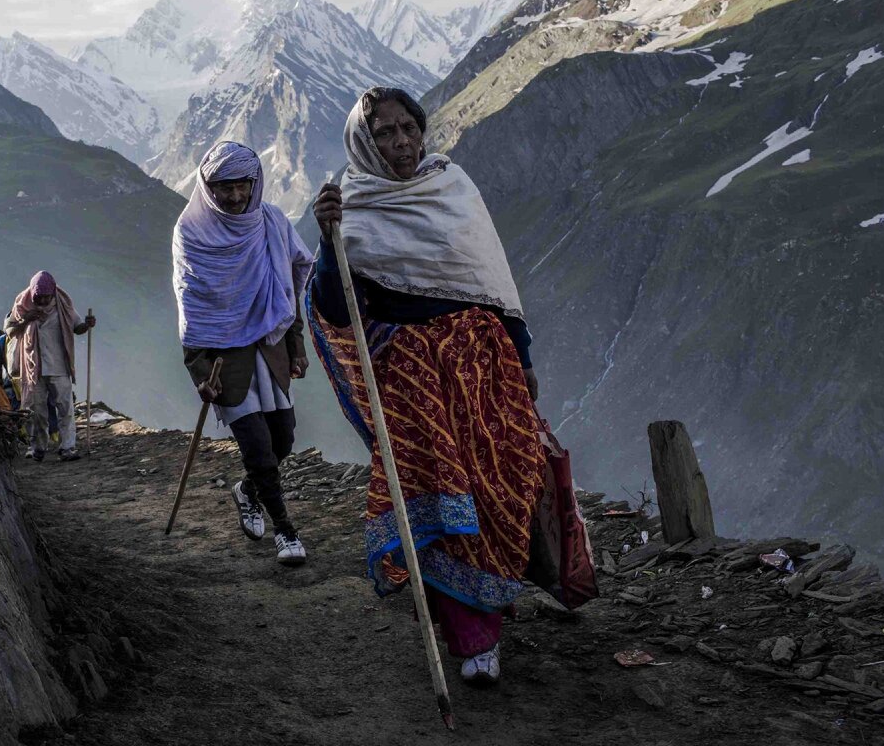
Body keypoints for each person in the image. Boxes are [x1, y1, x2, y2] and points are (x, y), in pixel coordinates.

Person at [308, 87, 595, 684]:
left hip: (486, 366)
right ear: (364, 143)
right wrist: (329, 240)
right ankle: (474, 641)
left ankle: (501, 592)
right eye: (384, 133)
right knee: (441, 499)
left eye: (408, 127)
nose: (401, 141)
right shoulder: (354, 207)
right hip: (415, 384)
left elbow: (490, 279)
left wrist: (523, 356)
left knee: (503, 479)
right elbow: (338, 310)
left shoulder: (452, 186)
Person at [172, 141, 313, 566]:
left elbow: (288, 290)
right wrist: (200, 372)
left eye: (243, 186)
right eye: (224, 188)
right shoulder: (192, 233)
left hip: (268, 351)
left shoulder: (271, 222)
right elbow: (191, 308)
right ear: (207, 187)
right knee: (257, 446)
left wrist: (295, 346)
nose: (235, 197)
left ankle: (247, 491)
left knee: (283, 437)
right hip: (223, 362)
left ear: (256, 183)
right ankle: (286, 532)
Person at [5, 271, 95, 462]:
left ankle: (67, 447)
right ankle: (38, 447)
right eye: (40, 297)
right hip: (33, 369)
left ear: (53, 292)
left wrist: (87, 326)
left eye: (47, 296)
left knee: (65, 409)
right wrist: (26, 319)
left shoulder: (62, 304)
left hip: (59, 366)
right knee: (37, 411)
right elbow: (10, 330)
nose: (44, 301)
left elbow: (77, 327)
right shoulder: (23, 304)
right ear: (34, 293)